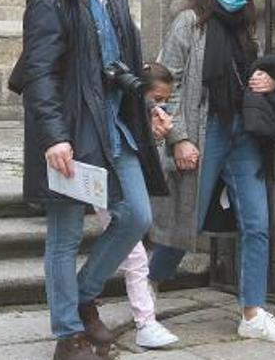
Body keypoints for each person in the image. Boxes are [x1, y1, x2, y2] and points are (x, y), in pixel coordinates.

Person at [12, 0, 169, 360]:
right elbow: (39, 75)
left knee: (137, 216)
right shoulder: (50, 0)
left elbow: (118, 65)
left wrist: (147, 104)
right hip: (72, 131)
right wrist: (54, 136)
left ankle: (82, 296)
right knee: (63, 234)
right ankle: (68, 334)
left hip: (117, 128)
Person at [148, 0, 275, 345]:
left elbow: (250, 78)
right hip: (204, 129)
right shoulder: (189, 23)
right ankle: (148, 284)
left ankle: (252, 312)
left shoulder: (249, 32)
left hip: (243, 133)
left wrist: (267, 82)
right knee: (186, 218)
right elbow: (167, 80)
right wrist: (179, 137)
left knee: (258, 222)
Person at [90, 62, 179, 350]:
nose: (161, 105)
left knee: (129, 255)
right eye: (157, 98)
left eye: (166, 99)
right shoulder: (124, 112)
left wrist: (156, 136)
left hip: (120, 187)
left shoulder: (144, 116)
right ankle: (145, 322)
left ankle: (91, 296)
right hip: (109, 186)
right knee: (135, 256)